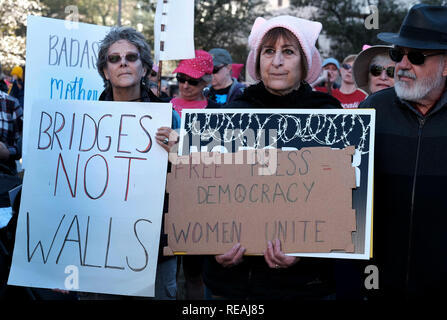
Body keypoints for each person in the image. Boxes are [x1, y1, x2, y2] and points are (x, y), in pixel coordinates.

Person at [203, 15, 342, 300]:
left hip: (303, 288)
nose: (277, 61)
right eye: (269, 51)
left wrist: (308, 252)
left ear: (304, 63)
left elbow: (341, 204)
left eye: (288, 52)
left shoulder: (329, 116)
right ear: (258, 61)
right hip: (232, 288)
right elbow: (205, 198)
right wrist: (211, 248)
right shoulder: (229, 117)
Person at [359, 3, 447, 299]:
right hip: (377, 286)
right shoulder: (372, 109)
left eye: (417, 56)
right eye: (398, 54)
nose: (402, 65)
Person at [96, 26, 180, 300]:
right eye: (114, 58)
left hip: (154, 249)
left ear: (144, 69)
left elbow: (190, 179)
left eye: (131, 57)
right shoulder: (86, 120)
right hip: (99, 247)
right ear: (105, 71)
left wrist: (177, 154)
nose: (123, 62)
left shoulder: (170, 118)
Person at [171, 50, 219, 118]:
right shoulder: (162, 105)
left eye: (193, 81)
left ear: (205, 82)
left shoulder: (217, 111)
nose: (185, 86)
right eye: (181, 79)